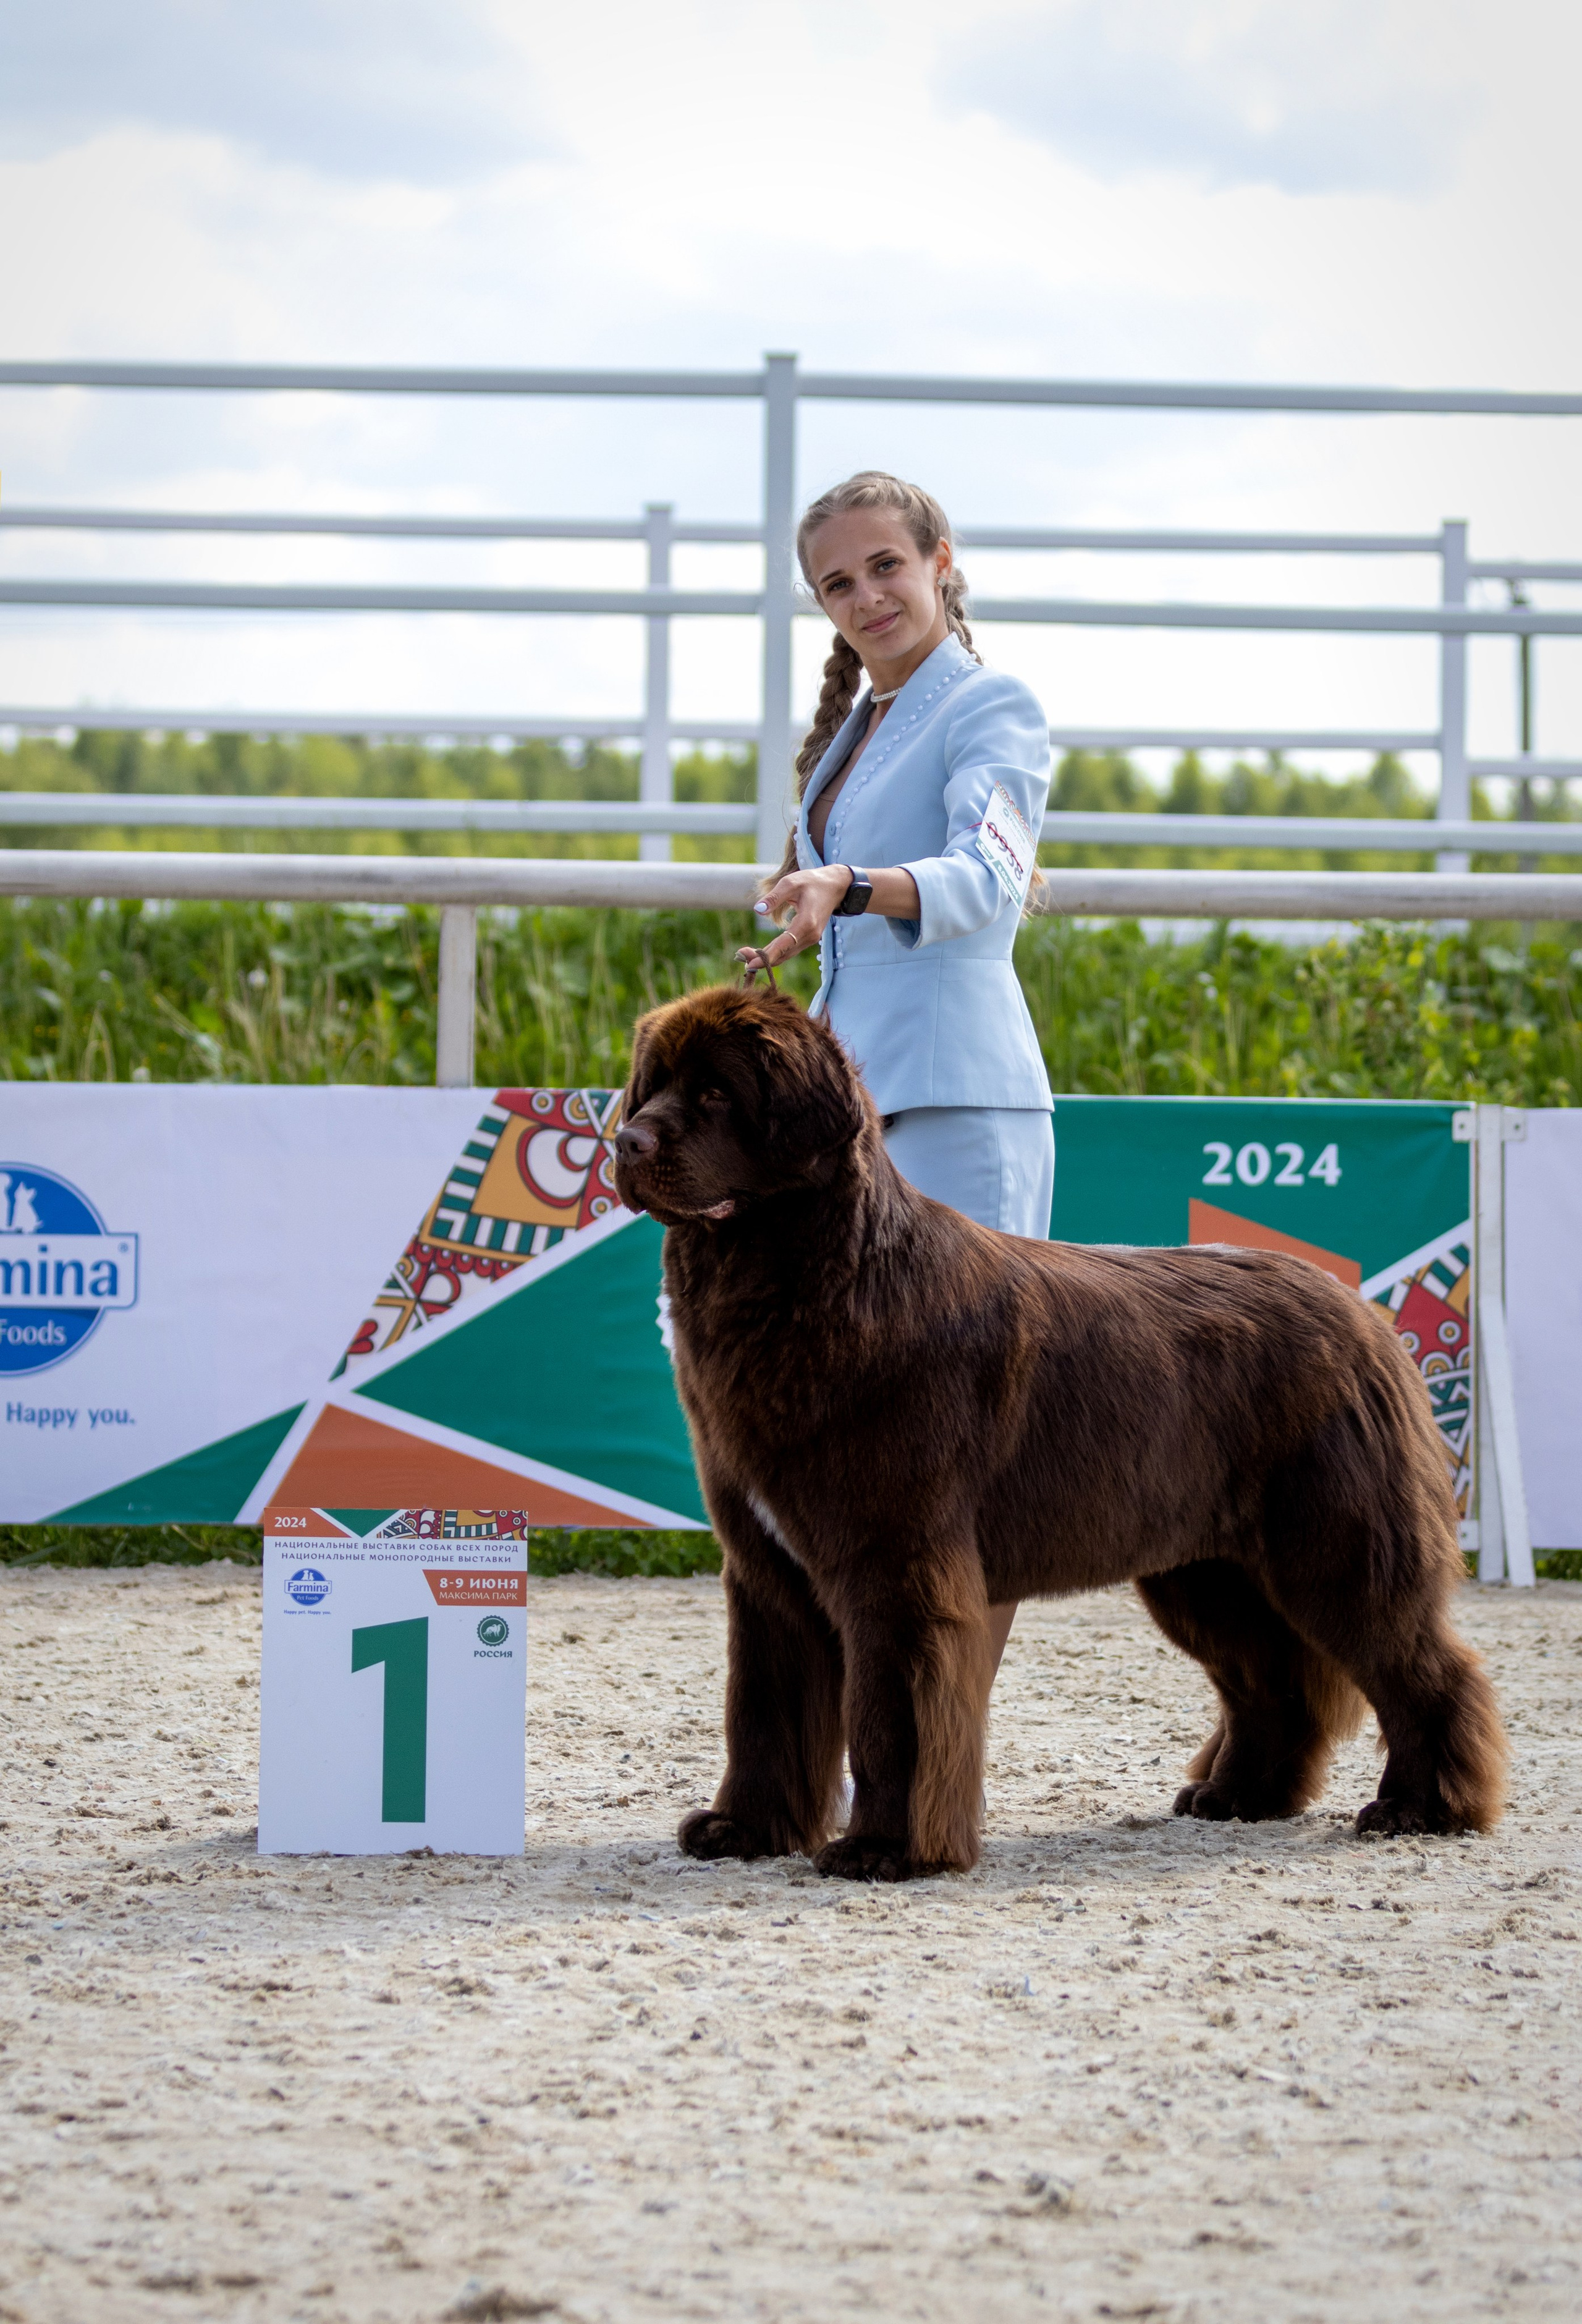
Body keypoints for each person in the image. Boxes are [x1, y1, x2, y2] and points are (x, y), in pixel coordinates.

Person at [742, 469, 1053, 1676]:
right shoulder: (854, 731)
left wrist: (853, 886)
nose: (865, 594)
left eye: (884, 564)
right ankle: (887, 1739)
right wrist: (812, 926)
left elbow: (985, 879)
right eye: (836, 580)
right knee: (868, 1447)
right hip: (857, 1121)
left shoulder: (993, 706)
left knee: (965, 1454)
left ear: (939, 559)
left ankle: (930, 1747)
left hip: (960, 1106)